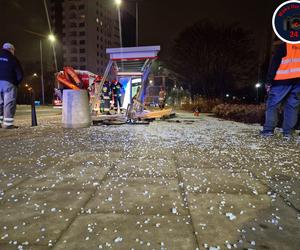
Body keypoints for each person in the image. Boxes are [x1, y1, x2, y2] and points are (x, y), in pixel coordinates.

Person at [260, 42, 300, 139]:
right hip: (298, 81)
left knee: (272, 104)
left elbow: (275, 63)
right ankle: (288, 133)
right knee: (292, 107)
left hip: (282, 79)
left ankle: (268, 130)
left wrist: (269, 81)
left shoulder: (285, 45)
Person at [0, 43, 23, 129]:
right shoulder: (13, 58)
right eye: (13, 50)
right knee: (9, 103)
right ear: (11, 49)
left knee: (0, 103)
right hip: (9, 83)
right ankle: (8, 124)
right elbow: (20, 74)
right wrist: (16, 83)